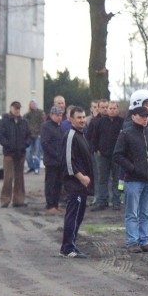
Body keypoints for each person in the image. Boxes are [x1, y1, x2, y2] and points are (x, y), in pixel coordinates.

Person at [113, 105, 148, 253]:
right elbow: (117, 155)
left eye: (147, 116)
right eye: (142, 116)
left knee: (147, 213)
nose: (145, 118)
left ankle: (144, 240)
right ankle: (132, 241)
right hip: (133, 180)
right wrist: (133, 168)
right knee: (132, 213)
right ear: (133, 117)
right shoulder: (126, 134)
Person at [60, 106, 94, 258]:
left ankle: (71, 245)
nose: (82, 120)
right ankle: (67, 248)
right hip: (74, 184)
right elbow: (68, 162)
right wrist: (81, 177)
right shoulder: (71, 135)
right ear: (71, 119)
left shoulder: (82, 135)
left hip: (82, 186)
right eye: (79, 117)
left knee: (78, 217)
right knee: (72, 216)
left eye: (83, 117)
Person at [88, 101, 124, 211]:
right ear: (106, 110)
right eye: (110, 108)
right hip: (103, 155)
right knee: (102, 179)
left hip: (118, 156)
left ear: (118, 109)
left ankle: (116, 201)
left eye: (114, 108)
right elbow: (94, 137)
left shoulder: (122, 122)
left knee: (117, 179)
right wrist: (95, 150)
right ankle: (102, 201)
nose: (112, 110)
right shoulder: (100, 122)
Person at [0, 101, 31, 208]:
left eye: (19, 108)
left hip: (20, 153)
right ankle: (5, 200)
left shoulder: (24, 122)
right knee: (8, 177)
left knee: (19, 178)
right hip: (9, 154)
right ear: (11, 108)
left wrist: (25, 145)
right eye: (15, 108)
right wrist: (8, 145)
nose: (17, 110)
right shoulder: (4, 121)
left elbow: (29, 136)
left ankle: (19, 200)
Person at [40, 106, 65, 213]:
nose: (59, 118)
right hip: (51, 160)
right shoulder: (46, 127)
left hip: (60, 161)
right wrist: (55, 154)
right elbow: (45, 144)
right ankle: (49, 205)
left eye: (61, 115)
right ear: (51, 115)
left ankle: (55, 204)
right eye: (57, 115)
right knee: (50, 183)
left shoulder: (61, 127)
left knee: (58, 184)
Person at [24, 99, 44, 174]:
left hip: (38, 135)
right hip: (30, 135)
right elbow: (24, 119)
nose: (32, 105)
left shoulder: (40, 113)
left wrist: (40, 133)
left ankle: (37, 167)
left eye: (33, 104)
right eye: (31, 104)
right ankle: (31, 166)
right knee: (28, 151)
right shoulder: (28, 114)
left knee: (37, 152)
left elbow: (42, 123)